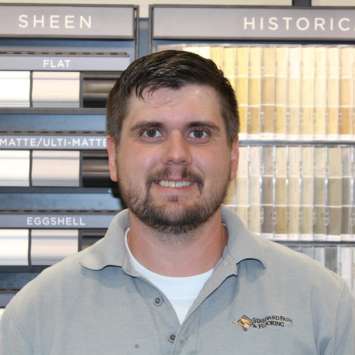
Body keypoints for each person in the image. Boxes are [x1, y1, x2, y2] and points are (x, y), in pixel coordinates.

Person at [0, 50, 354, 355]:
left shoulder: (322, 303)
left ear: (232, 156)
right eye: (150, 132)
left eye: (198, 133)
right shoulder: (37, 313)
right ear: (113, 156)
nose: (176, 155)